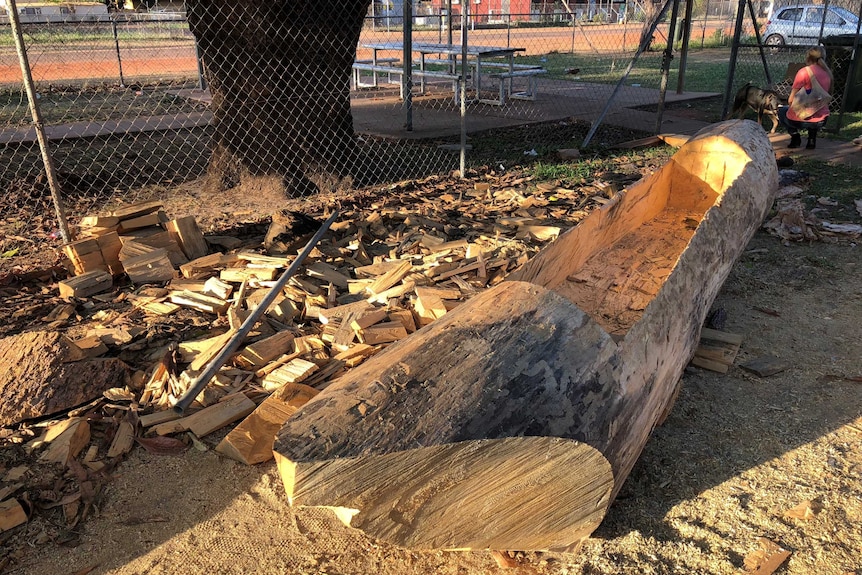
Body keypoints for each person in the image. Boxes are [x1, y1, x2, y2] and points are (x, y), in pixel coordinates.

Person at [778, 46, 833, 150]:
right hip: (822, 119)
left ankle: (795, 137)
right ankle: (812, 139)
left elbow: (791, 100)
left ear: (808, 57)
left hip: (802, 119)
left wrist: (791, 106)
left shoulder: (804, 72)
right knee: (815, 110)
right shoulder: (828, 73)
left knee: (782, 111)